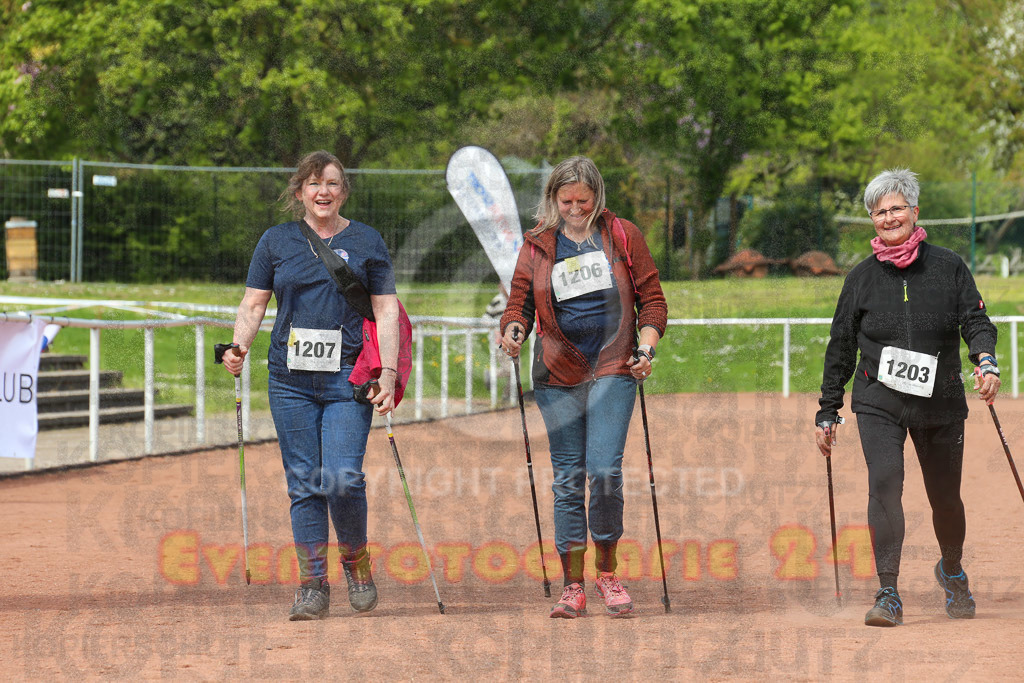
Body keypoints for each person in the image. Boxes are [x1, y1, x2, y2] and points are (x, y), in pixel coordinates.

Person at [815, 168, 1000, 627]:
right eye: (879, 212)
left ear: (915, 211)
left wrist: (985, 359)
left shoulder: (948, 266)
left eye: (897, 208)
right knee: (884, 485)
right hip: (879, 399)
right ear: (872, 220)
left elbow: (976, 320)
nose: (889, 217)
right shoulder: (860, 278)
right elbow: (841, 345)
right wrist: (828, 409)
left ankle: (951, 569)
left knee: (946, 498)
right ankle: (888, 592)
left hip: (940, 400)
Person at [222, 150, 399, 621]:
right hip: (289, 382)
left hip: (348, 379)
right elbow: (253, 304)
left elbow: (385, 308)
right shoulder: (276, 241)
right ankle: (312, 585)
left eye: (333, 183)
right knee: (304, 483)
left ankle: (356, 564)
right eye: (314, 184)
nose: (324, 192)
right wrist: (238, 347)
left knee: (341, 478)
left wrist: (388, 372)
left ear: (344, 191)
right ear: (299, 191)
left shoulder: (367, 241)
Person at [499, 156, 667, 618]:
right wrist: (513, 330)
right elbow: (518, 304)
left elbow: (653, 300)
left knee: (605, 471)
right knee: (569, 480)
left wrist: (646, 349)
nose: (575, 209)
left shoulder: (623, 235)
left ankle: (607, 573)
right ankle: (572, 585)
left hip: (614, 367)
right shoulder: (537, 244)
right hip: (557, 375)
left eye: (583, 201)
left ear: (597, 197)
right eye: (566, 201)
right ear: (553, 199)